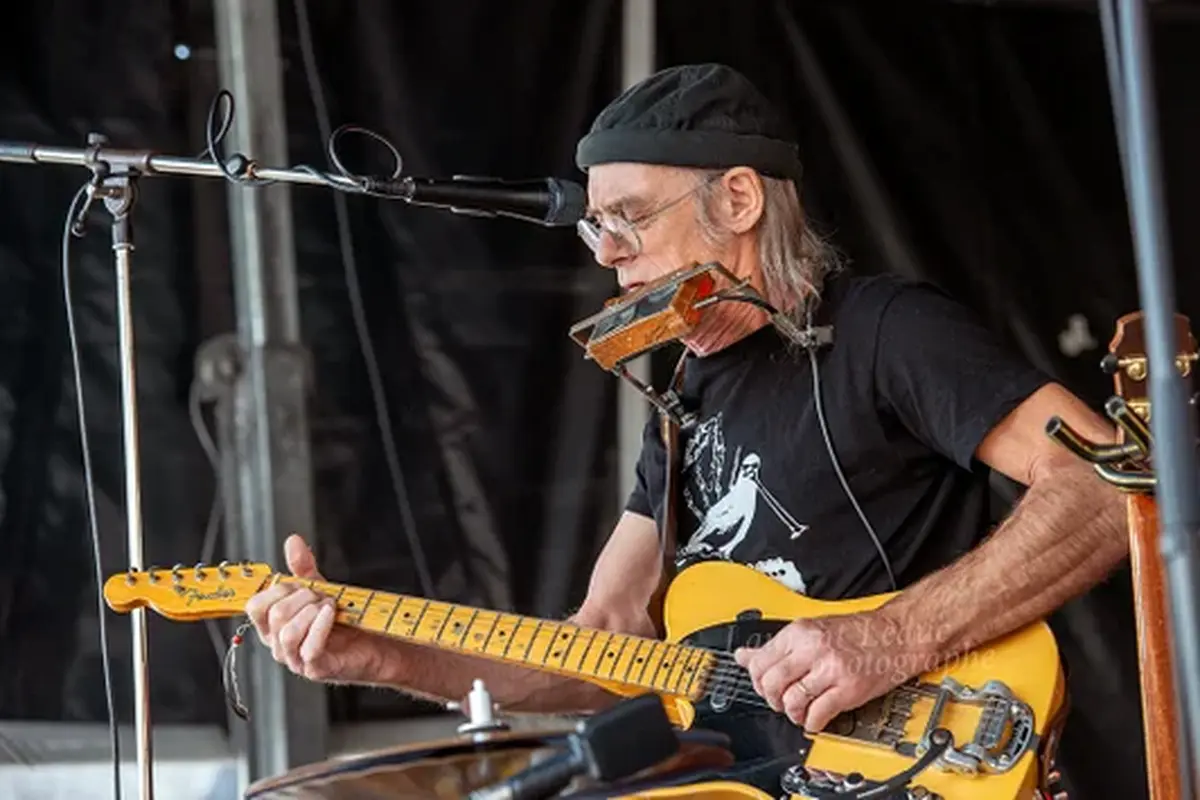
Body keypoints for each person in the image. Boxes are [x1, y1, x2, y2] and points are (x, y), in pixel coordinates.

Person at [245, 63, 1126, 769]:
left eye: (630, 219)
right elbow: (601, 645)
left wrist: (890, 639)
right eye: (596, 230)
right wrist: (379, 657)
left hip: (916, 759)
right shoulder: (681, 395)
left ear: (738, 200)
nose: (612, 256)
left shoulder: (887, 330)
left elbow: (1105, 480)